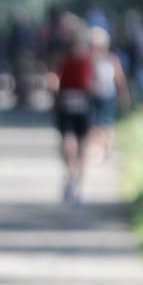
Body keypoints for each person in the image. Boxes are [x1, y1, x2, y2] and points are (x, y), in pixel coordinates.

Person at [50, 17, 92, 203]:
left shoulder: (64, 57)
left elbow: (54, 78)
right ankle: (77, 184)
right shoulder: (87, 58)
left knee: (71, 141)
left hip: (68, 102)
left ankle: (72, 180)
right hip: (80, 102)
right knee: (81, 145)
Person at [88, 26, 130, 160]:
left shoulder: (112, 59)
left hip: (108, 95)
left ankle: (105, 147)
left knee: (106, 123)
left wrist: (123, 94)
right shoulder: (90, 59)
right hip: (93, 95)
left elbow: (119, 77)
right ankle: (97, 147)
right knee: (94, 123)